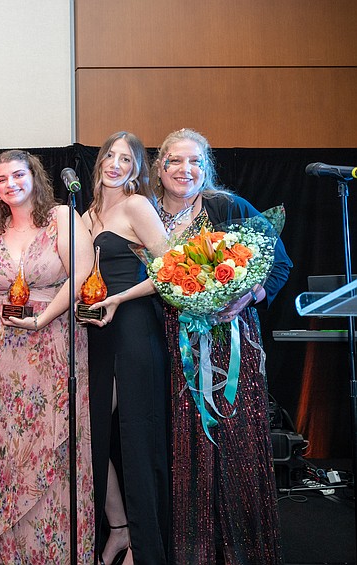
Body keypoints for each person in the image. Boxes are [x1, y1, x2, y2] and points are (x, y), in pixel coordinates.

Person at [151, 128, 290, 564]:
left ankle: (244, 550)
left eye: (194, 161)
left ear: (206, 166)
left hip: (232, 346)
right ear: (161, 167)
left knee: (235, 442)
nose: (185, 169)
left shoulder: (228, 207)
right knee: (182, 443)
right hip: (173, 348)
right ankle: (193, 549)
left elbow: (279, 264)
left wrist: (246, 296)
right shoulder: (147, 212)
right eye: (175, 160)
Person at [0, 150, 96, 564]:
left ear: (34, 176)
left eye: (18, 175)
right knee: (7, 443)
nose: (11, 184)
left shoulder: (60, 217)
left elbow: (82, 273)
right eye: (2, 179)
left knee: (51, 440)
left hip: (53, 341)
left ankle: (52, 552)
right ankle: (4, 551)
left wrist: (42, 318)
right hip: (2, 349)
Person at [81, 132, 171, 564]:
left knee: (135, 436)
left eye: (126, 159)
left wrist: (119, 298)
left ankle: (143, 545)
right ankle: (117, 529)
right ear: (99, 162)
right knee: (92, 436)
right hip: (96, 333)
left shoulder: (136, 206)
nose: (116, 164)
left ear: (136, 168)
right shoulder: (87, 213)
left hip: (133, 327)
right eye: (110, 156)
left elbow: (170, 272)